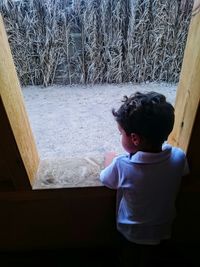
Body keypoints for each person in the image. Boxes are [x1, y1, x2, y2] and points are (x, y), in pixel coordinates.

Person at [99, 91, 189, 266]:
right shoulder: (179, 158)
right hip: (163, 230)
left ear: (134, 138)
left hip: (131, 234)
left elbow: (106, 179)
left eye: (121, 133)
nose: (120, 137)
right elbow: (183, 172)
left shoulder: (122, 165)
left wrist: (109, 159)